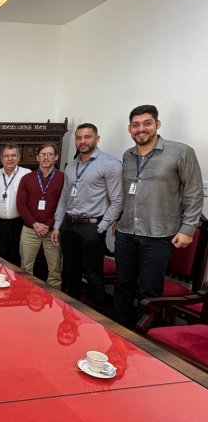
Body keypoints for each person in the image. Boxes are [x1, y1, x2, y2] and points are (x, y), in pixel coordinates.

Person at [113, 105, 204, 327]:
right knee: (123, 284)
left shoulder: (181, 152)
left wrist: (188, 229)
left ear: (157, 124)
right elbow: (125, 193)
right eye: (136, 125)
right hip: (126, 232)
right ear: (130, 129)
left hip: (158, 234)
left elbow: (194, 192)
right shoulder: (128, 156)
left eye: (147, 123)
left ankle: (144, 339)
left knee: (149, 291)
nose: (141, 129)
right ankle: (119, 331)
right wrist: (118, 220)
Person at [51, 123, 123, 310]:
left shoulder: (110, 164)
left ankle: (98, 317)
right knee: (71, 272)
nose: (82, 141)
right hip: (70, 225)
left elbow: (117, 200)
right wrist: (57, 225)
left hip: (92, 226)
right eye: (79, 138)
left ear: (97, 139)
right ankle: (71, 312)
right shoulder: (71, 166)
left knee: (93, 275)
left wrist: (101, 227)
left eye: (87, 137)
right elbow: (64, 198)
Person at [16, 144, 65, 288]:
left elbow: (64, 205)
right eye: (43, 154)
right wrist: (35, 224)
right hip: (30, 229)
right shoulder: (27, 178)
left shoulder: (63, 178)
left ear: (56, 157)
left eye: (50, 154)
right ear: (37, 158)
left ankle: (54, 300)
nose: (46, 158)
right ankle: (26, 297)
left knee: (55, 271)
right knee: (25, 269)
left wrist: (49, 224)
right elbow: (20, 205)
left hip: (53, 231)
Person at [0, 144, 31, 266]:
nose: (10, 159)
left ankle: (14, 278)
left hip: (19, 223)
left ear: (18, 157)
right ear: (1, 158)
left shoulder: (27, 174)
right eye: (6, 156)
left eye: (13, 155)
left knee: (16, 256)